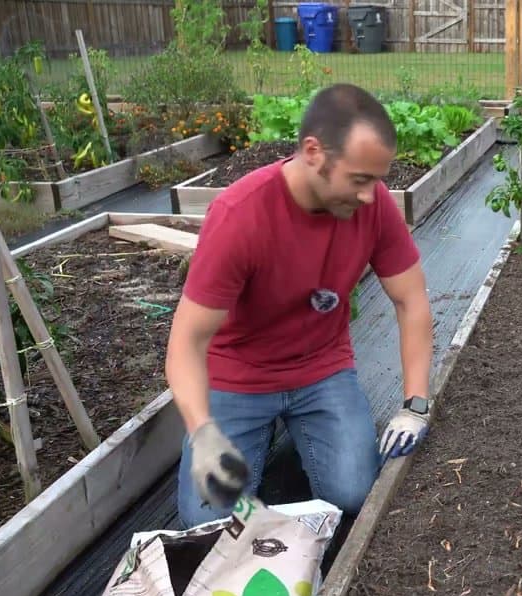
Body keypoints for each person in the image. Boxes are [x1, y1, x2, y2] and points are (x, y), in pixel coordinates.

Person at [165, 83, 434, 529]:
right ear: (313, 152)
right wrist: (203, 431)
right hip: (240, 377)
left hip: (321, 370)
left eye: (377, 180)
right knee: (206, 518)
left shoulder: (373, 204)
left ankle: (306, 429)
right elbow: (186, 344)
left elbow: (412, 300)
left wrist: (416, 405)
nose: (371, 195)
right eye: (360, 179)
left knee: (356, 492)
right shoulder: (240, 216)